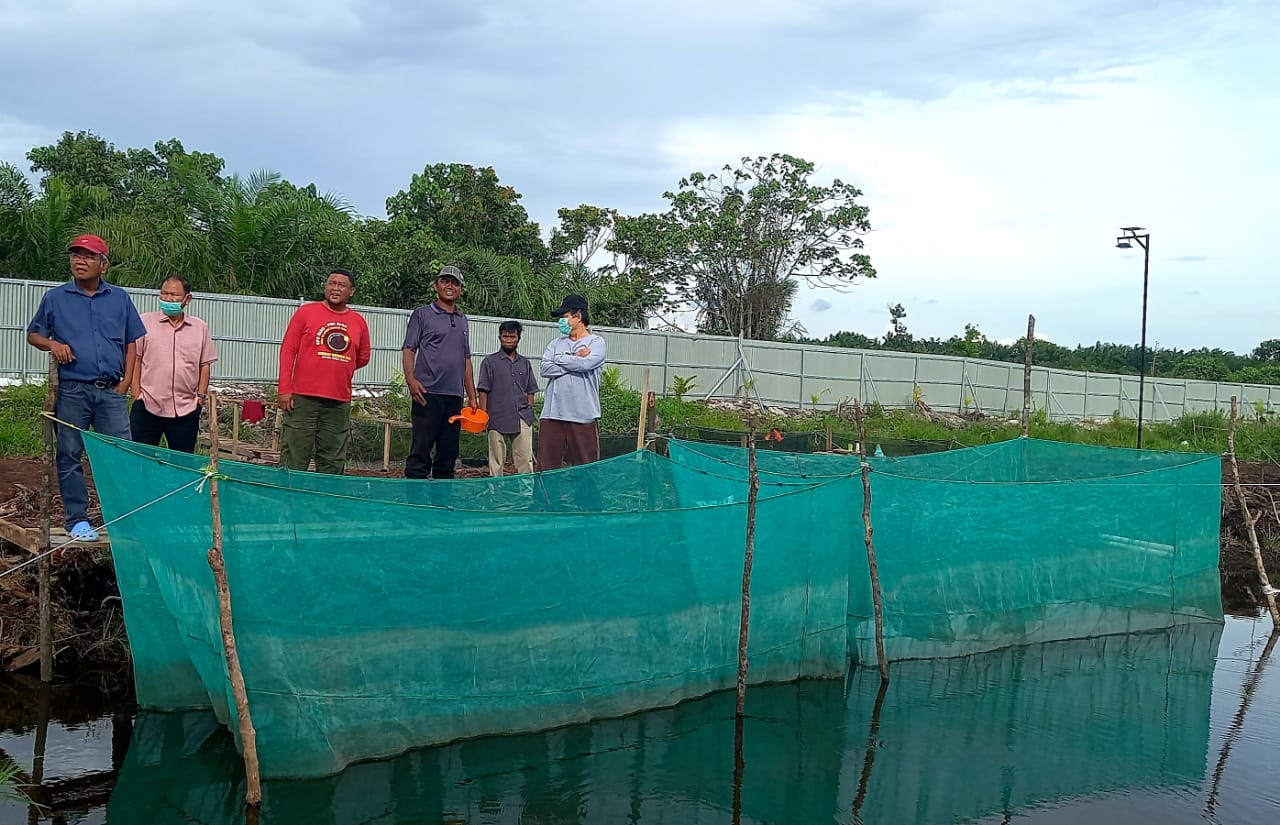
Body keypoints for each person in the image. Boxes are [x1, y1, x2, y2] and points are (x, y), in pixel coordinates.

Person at [26, 234, 145, 541]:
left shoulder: (119, 298)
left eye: (88, 256)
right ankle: (78, 520)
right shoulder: (56, 298)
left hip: (111, 392)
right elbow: (34, 335)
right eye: (75, 256)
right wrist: (53, 343)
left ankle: (123, 519)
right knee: (69, 454)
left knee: (119, 454)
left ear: (103, 265)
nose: (79, 261)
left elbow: (132, 341)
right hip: (73, 391)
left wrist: (127, 381)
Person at [277, 268, 371, 474]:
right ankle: (287, 500)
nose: (335, 288)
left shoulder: (358, 322)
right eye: (332, 283)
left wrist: (338, 366)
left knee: (333, 458)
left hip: (338, 401)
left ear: (351, 291)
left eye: (341, 285)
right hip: (302, 398)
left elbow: (363, 357)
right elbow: (288, 350)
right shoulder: (306, 313)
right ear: (325, 287)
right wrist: (284, 389)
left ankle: (326, 503)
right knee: (295, 454)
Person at [402, 265, 478, 479]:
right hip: (427, 393)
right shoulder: (422, 314)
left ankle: (442, 506)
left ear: (461, 288)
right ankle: (415, 505)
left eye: (454, 282)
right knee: (420, 451)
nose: (449, 286)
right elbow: (409, 348)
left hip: (453, 397)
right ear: (436, 285)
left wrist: (471, 396)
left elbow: (466, 359)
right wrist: (411, 380)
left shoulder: (463, 319)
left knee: (448, 454)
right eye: (445, 281)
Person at [129, 275, 217, 453]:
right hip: (147, 404)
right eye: (164, 294)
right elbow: (136, 359)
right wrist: (136, 393)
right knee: (141, 460)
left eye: (174, 295)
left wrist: (199, 397)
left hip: (186, 408)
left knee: (181, 463)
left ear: (187, 299)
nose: (168, 299)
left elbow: (204, 364)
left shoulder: (200, 327)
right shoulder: (145, 322)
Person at [539, 293, 606, 469]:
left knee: (585, 469)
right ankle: (545, 498)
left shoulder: (596, 343)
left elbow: (587, 364)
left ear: (578, 317)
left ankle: (584, 498)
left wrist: (559, 359)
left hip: (582, 416)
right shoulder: (555, 343)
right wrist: (575, 356)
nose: (561, 321)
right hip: (552, 416)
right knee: (546, 470)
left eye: (565, 317)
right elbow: (545, 369)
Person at [477, 321, 539, 476]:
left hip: (522, 416)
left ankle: (526, 494)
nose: (509, 340)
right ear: (500, 338)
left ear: (518, 339)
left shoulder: (525, 363)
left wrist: (530, 406)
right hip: (497, 416)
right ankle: (496, 494)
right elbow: (483, 390)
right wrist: (483, 416)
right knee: (496, 460)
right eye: (505, 336)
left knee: (525, 459)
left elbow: (531, 389)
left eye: (512, 336)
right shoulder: (489, 362)